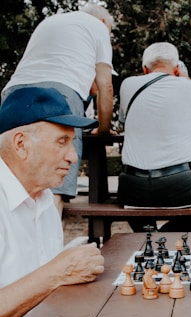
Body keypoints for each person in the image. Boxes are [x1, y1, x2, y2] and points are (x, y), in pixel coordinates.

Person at [0, 87, 105, 317]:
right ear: (21, 143)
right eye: (62, 141)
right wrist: (58, 272)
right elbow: (52, 277)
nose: (73, 156)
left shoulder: (44, 197)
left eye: (72, 142)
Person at [1, 4, 115, 216]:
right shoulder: (97, 27)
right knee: (54, 185)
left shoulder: (51, 21)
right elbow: (104, 85)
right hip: (60, 93)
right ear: (103, 22)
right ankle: (51, 248)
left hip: (14, 92)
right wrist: (104, 129)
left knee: (10, 183)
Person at [118, 42, 191, 232]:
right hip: (180, 182)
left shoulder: (127, 85)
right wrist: (187, 80)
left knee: (131, 199)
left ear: (144, 69)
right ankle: (161, 239)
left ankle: (147, 235)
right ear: (176, 69)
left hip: (132, 185)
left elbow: (125, 121)